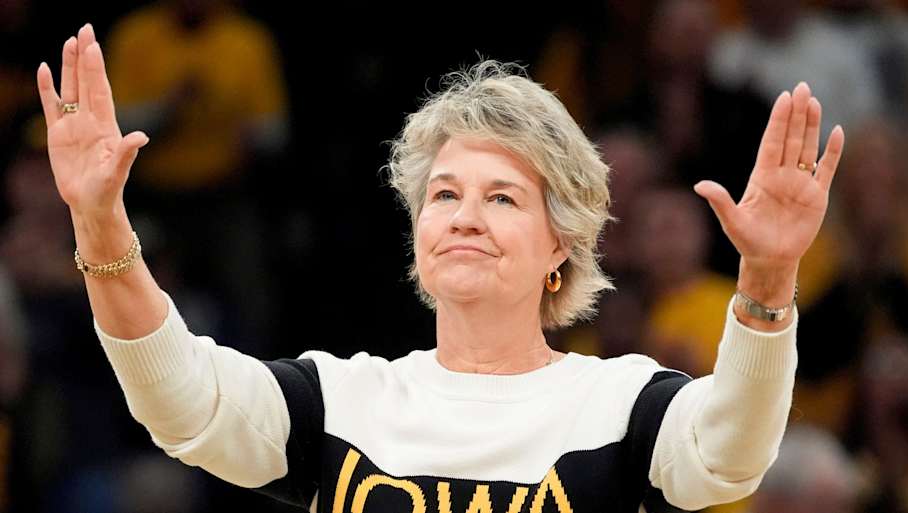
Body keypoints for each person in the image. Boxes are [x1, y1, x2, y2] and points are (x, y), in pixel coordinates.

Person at [36, 23, 844, 512]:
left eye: (501, 199)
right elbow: (179, 399)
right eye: (445, 193)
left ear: (560, 239)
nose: (463, 214)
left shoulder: (622, 403)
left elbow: (735, 449)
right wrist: (100, 219)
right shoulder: (341, 399)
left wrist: (768, 277)